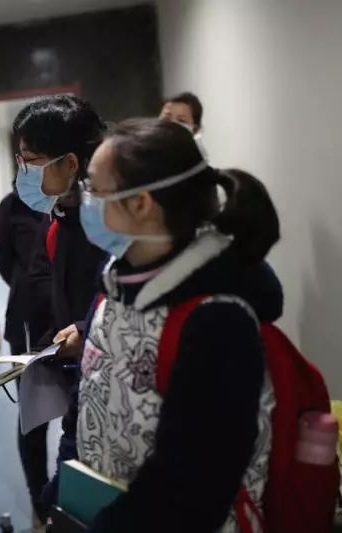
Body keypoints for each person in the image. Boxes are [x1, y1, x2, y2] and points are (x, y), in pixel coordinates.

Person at [75, 118, 281, 532]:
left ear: (141, 204)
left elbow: (191, 490)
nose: (85, 200)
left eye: (94, 189)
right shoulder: (117, 285)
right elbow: (91, 394)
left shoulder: (217, 324)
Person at [12, 95, 108, 523]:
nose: (22, 171)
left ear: (70, 163)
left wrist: (87, 330)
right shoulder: (62, 219)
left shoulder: (106, 225)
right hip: (79, 374)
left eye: (30, 160)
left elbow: (123, 305)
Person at [0, 183, 52, 531]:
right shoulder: (11, 208)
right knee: (32, 417)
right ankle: (39, 503)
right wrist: (30, 286)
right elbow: (3, 262)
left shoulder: (74, 203)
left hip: (75, 321)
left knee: (79, 412)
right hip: (26, 323)